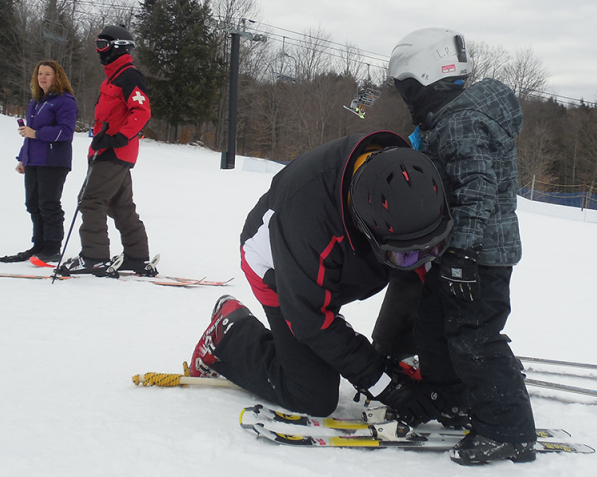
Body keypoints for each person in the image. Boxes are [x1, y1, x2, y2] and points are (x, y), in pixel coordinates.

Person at [189, 131, 452, 426]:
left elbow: (431, 276)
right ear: (364, 227)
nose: (419, 261)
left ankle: (398, 353)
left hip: (346, 262)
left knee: (418, 266)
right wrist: (386, 385)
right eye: (405, 257)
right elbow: (312, 321)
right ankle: (230, 334)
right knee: (312, 395)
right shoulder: (306, 219)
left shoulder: (411, 181)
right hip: (279, 272)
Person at [379, 28, 538, 465]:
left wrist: (464, 255)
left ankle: (509, 430)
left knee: (475, 339)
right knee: (432, 326)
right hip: (461, 252)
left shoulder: (461, 121)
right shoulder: (449, 119)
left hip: (482, 256)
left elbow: (478, 187)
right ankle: (451, 398)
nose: (408, 100)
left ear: (428, 78)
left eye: (408, 89)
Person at [57, 25, 156, 277]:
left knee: (91, 201)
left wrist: (118, 138)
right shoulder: (113, 77)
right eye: (97, 45)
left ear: (118, 47)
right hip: (108, 151)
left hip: (114, 152)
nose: (99, 51)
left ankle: (94, 257)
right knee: (120, 205)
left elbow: (141, 111)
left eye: (103, 45)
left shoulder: (128, 76)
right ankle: (136, 257)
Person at [1, 60, 77, 264]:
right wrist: (23, 158)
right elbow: (29, 134)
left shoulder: (65, 101)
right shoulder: (36, 101)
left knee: (48, 204)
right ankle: (39, 244)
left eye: (47, 74)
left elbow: (66, 131)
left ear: (57, 77)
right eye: (39, 74)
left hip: (54, 160)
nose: (42, 77)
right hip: (34, 159)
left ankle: (52, 248)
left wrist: (37, 133)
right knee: (33, 203)